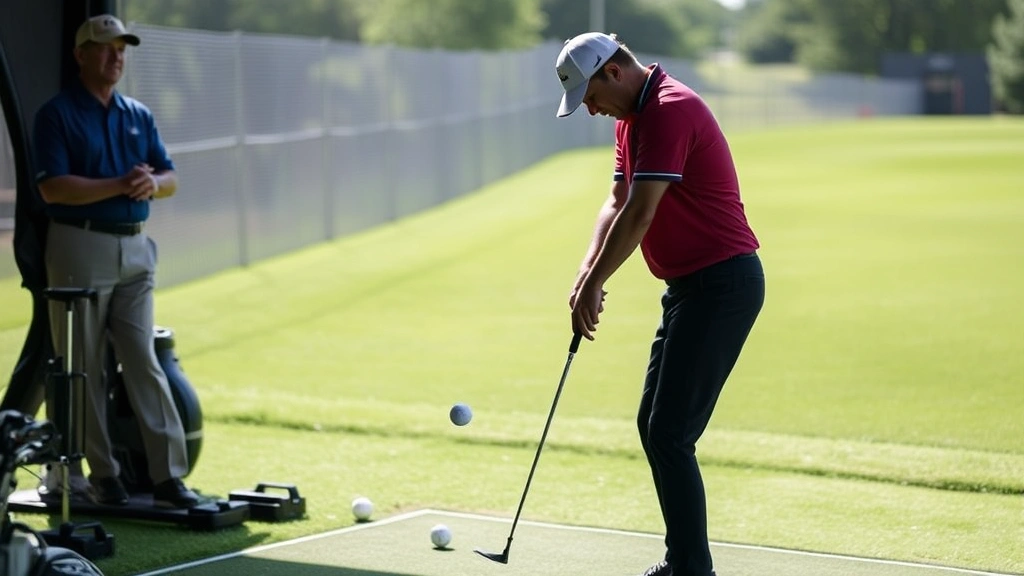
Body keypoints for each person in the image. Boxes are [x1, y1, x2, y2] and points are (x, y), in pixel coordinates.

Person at [556, 33, 766, 576]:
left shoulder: (670, 111)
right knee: (655, 426)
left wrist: (596, 281)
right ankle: (685, 565)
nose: (591, 109)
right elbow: (617, 201)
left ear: (613, 72)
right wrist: (586, 272)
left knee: (670, 433)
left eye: (591, 96)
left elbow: (643, 213)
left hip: (724, 285)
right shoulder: (632, 119)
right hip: (688, 289)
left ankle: (691, 570)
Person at [31, 14, 199, 509]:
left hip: (135, 249)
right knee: (84, 367)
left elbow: (169, 176)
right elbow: (52, 186)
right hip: (78, 245)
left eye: (122, 48)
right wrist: (121, 183)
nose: (116, 56)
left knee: (143, 360)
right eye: (105, 48)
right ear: (81, 54)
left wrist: (152, 184)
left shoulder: (137, 114)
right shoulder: (57, 114)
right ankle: (104, 475)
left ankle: (168, 478)